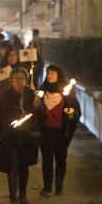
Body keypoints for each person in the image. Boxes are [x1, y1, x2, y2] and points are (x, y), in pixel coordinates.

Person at [0, 69, 40, 204]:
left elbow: (37, 117)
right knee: (12, 167)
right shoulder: (3, 96)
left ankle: (22, 193)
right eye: (16, 78)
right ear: (11, 80)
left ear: (26, 79)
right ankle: (13, 196)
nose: (19, 81)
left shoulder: (31, 94)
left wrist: (37, 107)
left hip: (26, 137)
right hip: (10, 137)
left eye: (22, 78)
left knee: (24, 165)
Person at [36, 65, 81, 195]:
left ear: (58, 75)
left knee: (61, 158)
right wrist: (36, 105)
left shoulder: (67, 92)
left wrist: (71, 114)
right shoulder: (42, 91)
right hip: (46, 131)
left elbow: (76, 110)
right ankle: (47, 186)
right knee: (47, 159)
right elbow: (35, 112)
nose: (49, 75)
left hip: (62, 132)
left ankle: (59, 185)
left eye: (53, 73)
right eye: (48, 72)